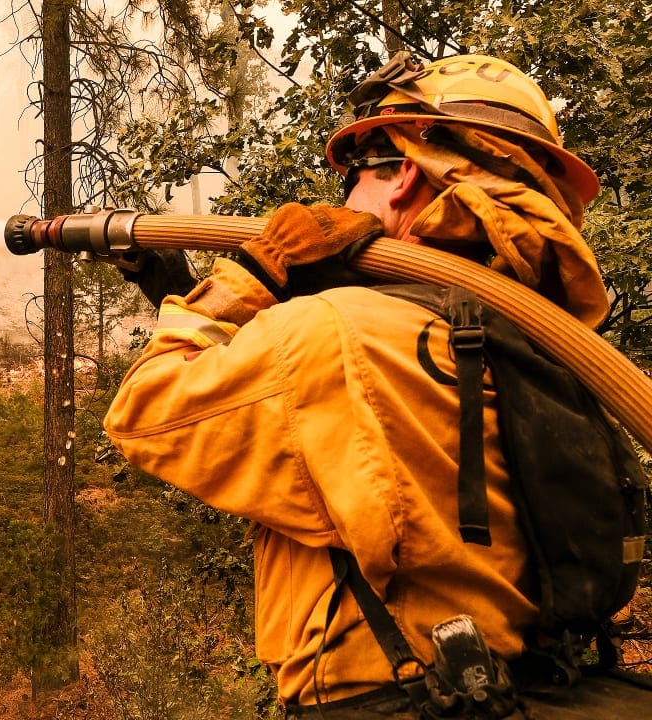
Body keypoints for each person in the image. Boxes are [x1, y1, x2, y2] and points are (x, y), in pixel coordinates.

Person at [104, 52, 652, 718]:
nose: (340, 201)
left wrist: (249, 277)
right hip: (524, 688)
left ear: (403, 175)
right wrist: (184, 286)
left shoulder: (338, 329)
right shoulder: (532, 336)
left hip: (391, 699)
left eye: (354, 174)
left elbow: (145, 412)